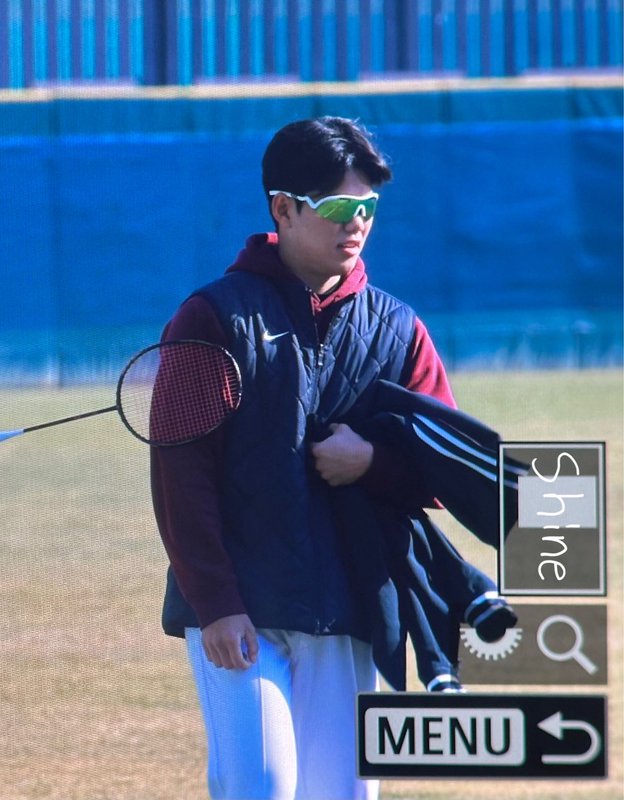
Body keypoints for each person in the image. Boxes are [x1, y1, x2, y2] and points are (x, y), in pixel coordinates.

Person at [150, 117, 460, 799]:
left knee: (343, 794)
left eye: (369, 208)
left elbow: (446, 468)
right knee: (261, 786)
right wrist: (216, 602)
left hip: (355, 604)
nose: (358, 224)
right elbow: (180, 474)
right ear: (283, 209)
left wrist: (373, 460)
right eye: (341, 208)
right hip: (242, 608)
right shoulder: (212, 318)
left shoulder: (400, 329)